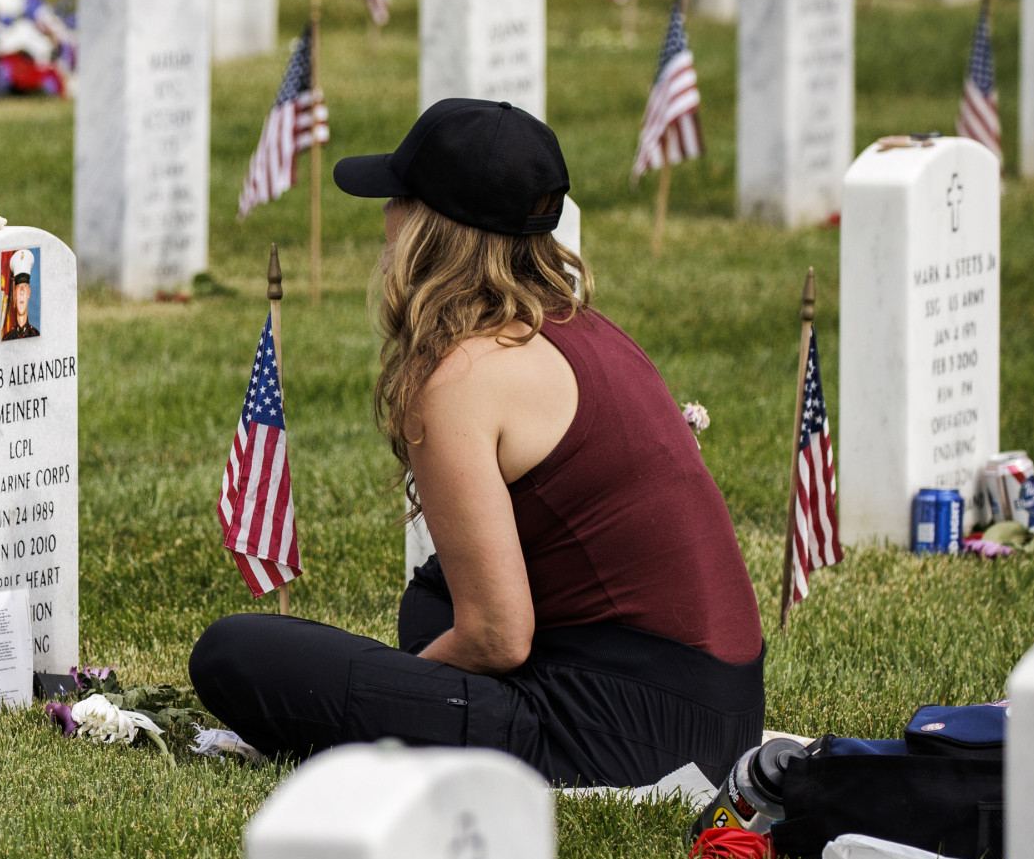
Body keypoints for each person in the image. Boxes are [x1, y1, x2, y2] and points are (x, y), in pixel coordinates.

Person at [189, 99, 764, 788]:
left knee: (234, 654)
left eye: (397, 198)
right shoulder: (585, 329)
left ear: (433, 226)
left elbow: (499, 635)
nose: (384, 217)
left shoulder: (460, 373)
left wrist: (390, 696)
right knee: (430, 596)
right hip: (720, 712)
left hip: (621, 734)